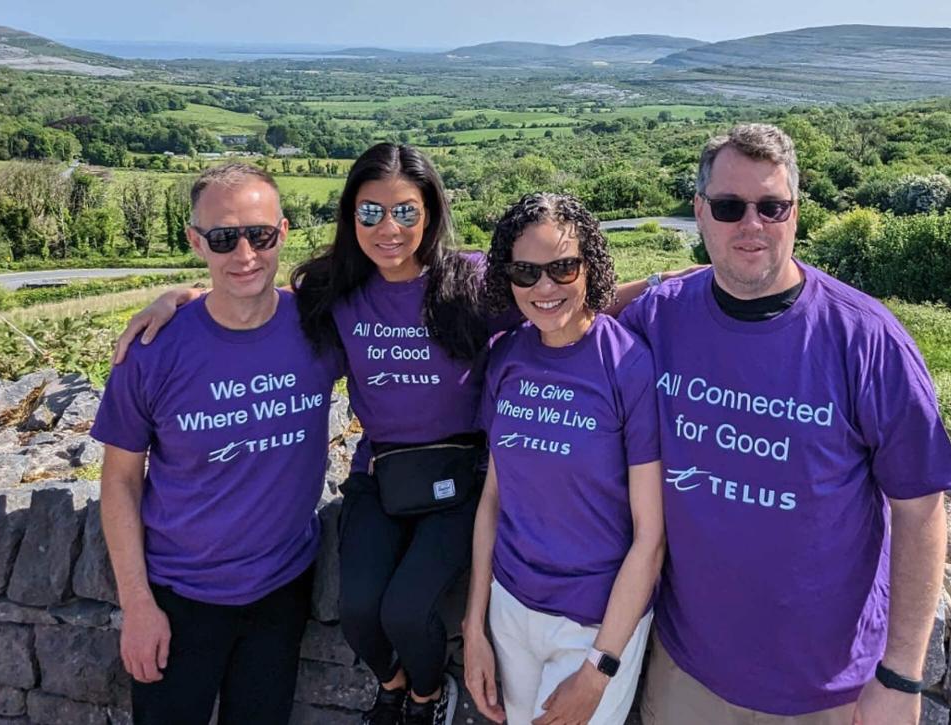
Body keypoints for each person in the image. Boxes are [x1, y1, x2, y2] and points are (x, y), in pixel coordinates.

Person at [111, 144, 683, 725]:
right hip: (380, 474)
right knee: (358, 608)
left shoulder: (471, 282)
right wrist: (179, 300)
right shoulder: (333, 294)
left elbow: (562, 299)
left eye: (406, 212)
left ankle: (426, 698)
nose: (389, 228)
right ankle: (397, 685)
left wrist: (677, 283)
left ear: (431, 212)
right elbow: (249, 300)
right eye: (370, 213)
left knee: (407, 610)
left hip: (457, 479)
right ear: (349, 218)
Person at [617, 124, 951, 724]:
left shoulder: (867, 339)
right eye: (728, 207)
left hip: (825, 688)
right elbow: (561, 309)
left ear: (795, 212)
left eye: (771, 206)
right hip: (687, 671)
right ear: (699, 212)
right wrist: (655, 280)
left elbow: (921, 510)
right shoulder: (659, 315)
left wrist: (901, 675)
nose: (751, 224)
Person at [91, 162, 342, 724]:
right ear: (195, 241)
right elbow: (121, 482)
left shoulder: (319, 329)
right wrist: (138, 607)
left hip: (282, 589)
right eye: (224, 238)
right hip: (179, 597)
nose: (245, 254)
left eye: (260, 234)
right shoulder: (153, 351)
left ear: (283, 229)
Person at [461, 194, 664, 725]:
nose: (544, 288)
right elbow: (493, 502)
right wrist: (473, 628)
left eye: (563, 267)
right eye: (525, 272)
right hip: (511, 607)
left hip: (593, 622)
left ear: (590, 267)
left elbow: (651, 538)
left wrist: (600, 667)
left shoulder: (628, 365)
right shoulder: (507, 357)